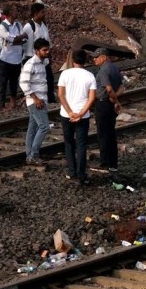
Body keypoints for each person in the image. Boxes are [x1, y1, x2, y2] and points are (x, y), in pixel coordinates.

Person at [56, 48, 95, 182]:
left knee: (69, 143)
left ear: (72, 60)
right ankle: (81, 173)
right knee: (81, 144)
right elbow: (91, 98)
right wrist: (80, 114)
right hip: (82, 116)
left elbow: (60, 95)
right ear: (85, 61)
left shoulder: (64, 74)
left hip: (66, 115)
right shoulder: (90, 76)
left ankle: (71, 172)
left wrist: (70, 112)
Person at [19, 38, 53, 167]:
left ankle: (29, 155)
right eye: (44, 50)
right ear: (37, 50)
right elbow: (23, 82)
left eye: (48, 49)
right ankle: (33, 155)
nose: (47, 52)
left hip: (39, 99)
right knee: (44, 127)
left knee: (32, 128)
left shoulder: (42, 63)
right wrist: (34, 98)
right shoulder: (31, 63)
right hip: (36, 101)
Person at [91, 49, 123, 174]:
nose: (94, 59)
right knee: (111, 134)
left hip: (103, 103)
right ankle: (113, 163)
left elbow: (109, 89)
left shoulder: (103, 70)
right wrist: (115, 100)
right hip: (109, 104)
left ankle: (105, 163)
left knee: (103, 134)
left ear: (103, 57)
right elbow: (121, 87)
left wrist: (113, 97)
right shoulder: (114, 68)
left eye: (96, 57)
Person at [0, 9, 25, 110]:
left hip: (16, 58)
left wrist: (16, 39)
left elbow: (24, 39)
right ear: (9, 14)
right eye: (14, 11)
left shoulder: (18, 25)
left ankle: (13, 103)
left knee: (14, 82)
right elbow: (11, 39)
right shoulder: (1, 26)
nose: (17, 12)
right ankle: (0, 105)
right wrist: (18, 38)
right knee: (2, 82)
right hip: (5, 59)